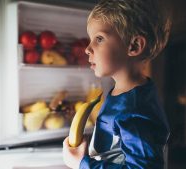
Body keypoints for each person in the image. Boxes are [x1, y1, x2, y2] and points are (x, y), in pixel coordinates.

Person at [62, 0, 172, 168]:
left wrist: (83, 164)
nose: (87, 48)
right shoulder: (124, 92)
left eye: (99, 39)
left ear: (134, 46)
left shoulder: (135, 111)